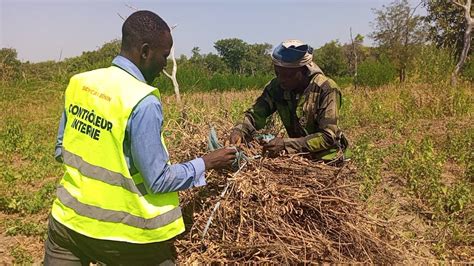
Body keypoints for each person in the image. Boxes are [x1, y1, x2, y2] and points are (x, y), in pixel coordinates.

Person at [44, 10, 236, 265]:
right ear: (145, 52)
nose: (165, 64)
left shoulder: (80, 82)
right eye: (164, 56)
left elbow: (61, 150)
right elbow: (158, 180)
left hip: (67, 225)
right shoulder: (142, 101)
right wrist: (207, 162)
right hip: (125, 238)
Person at [229, 40, 348, 160]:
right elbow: (255, 115)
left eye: (288, 75)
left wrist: (285, 144)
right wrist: (239, 131)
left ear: (303, 71)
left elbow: (328, 137)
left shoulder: (326, 89)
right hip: (298, 157)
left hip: (328, 159)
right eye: (277, 73)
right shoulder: (276, 87)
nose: (281, 79)